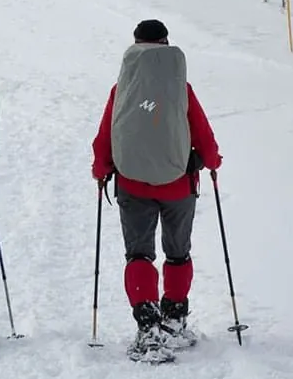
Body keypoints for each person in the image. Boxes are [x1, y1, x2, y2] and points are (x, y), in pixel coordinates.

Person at [91, 19, 222, 361]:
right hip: (179, 185)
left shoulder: (122, 89)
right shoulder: (180, 88)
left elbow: (107, 133)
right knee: (177, 253)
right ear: (166, 44)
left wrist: (101, 169)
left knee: (139, 255)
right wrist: (211, 160)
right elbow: (202, 132)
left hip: (132, 184)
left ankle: (147, 329)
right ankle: (174, 323)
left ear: (135, 45)